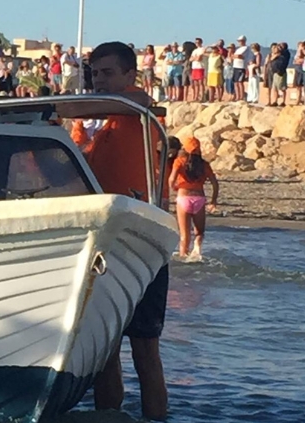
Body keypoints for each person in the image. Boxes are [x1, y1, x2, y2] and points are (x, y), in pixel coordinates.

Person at [83, 41, 168, 421]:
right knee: (106, 348)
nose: (100, 81)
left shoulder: (136, 105)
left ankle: (155, 418)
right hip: (108, 239)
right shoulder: (105, 127)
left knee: (145, 350)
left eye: (108, 73)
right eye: (95, 73)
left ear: (130, 75)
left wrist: (52, 106)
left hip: (143, 243)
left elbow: (123, 102)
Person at [169, 136, 218, 258]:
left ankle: (183, 257)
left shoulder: (179, 161)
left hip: (183, 198)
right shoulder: (204, 165)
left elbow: (171, 180)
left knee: (185, 236)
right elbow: (215, 184)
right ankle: (197, 249)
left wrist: (175, 188)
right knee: (199, 233)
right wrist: (213, 201)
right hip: (199, 199)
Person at [232, 35, 249, 101]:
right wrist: (235, 56)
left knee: (240, 82)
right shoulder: (238, 49)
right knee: (236, 82)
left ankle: (241, 96)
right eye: (239, 41)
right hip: (235, 66)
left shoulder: (245, 48)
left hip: (241, 67)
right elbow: (233, 56)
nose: (239, 42)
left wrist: (235, 56)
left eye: (241, 41)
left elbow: (239, 56)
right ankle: (237, 96)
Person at [189, 38, 206, 102]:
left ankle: (202, 96)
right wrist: (195, 58)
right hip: (194, 67)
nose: (197, 43)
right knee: (195, 83)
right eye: (196, 42)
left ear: (201, 42)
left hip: (200, 67)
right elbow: (190, 59)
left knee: (201, 83)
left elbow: (199, 58)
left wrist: (195, 58)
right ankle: (196, 96)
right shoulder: (194, 50)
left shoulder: (202, 49)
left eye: (198, 42)